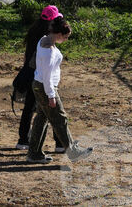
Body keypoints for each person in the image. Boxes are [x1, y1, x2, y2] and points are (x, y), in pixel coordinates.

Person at [27, 16, 93, 163]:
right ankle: (73, 152)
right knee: (60, 118)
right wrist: (51, 96)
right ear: (58, 34)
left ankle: (34, 153)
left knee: (41, 118)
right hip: (45, 88)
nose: (66, 40)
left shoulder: (43, 39)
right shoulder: (49, 52)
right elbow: (47, 76)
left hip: (39, 85)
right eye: (65, 37)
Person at [16, 5, 66, 151]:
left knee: (30, 108)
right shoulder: (47, 38)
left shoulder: (33, 31)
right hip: (42, 78)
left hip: (30, 74)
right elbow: (47, 63)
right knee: (54, 110)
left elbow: (27, 57)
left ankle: (23, 140)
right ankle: (60, 144)